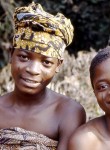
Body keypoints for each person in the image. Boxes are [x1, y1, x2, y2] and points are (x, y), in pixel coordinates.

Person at [0, 2, 86, 150]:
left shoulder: (68, 111)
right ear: (11, 55)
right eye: (24, 57)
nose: (33, 70)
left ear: (57, 66)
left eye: (46, 62)